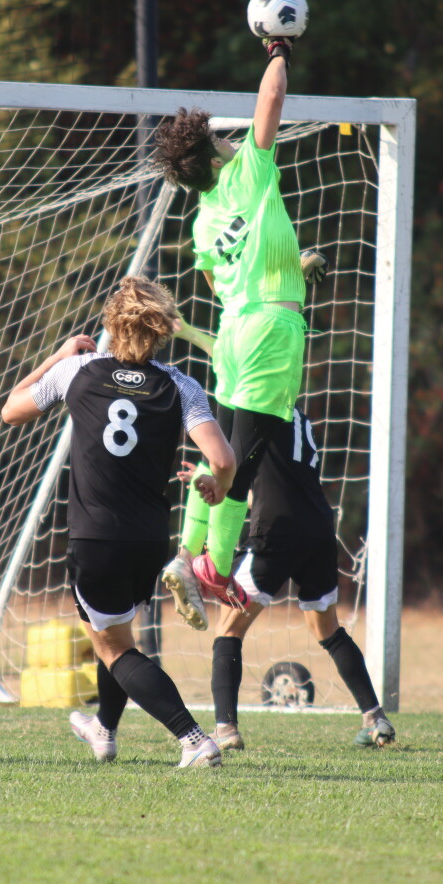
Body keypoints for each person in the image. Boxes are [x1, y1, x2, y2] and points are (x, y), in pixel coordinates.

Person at [1, 277, 235, 768]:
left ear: (111, 324)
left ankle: (194, 740)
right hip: (149, 539)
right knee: (112, 631)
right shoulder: (181, 385)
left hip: (95, 536)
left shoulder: (78, 372)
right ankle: (103, 731)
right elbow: (223, 458)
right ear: (161, 330)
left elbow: (11, 411)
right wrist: (218, 486)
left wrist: (56, 357)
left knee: (114, 648)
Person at [148, 35, 325, 633]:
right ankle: (213, 568)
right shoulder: (248, 169)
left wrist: (292, 273)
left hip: (235, 330)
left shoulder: (202, 222)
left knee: (228, 452)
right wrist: (279, 48)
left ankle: (186, 553)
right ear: (217, 150)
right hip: (270, 330)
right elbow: (271, 100)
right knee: (240, 465)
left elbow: (229, 280)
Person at [172, 319, 394, 750]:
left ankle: (226, 730)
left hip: (276, 531)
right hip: (317, 528)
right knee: (327, 629)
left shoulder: (258, 409)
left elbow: (232, 464)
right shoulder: (300, 418)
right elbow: (268, 476)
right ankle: (376, 718)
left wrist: (185, 331)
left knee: (228, 630)